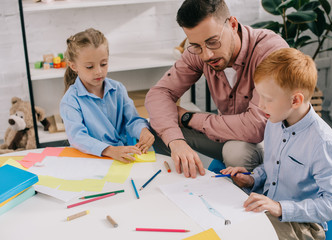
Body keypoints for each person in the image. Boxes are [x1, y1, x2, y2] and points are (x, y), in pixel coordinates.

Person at [145, 0, 288, 178]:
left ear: (233, 25)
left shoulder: (271, 52)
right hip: (227, 132)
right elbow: (158, 94)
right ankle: (180, 192)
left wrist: (188, 117)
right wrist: (176, 142)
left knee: (236, 152)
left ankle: (244, 197)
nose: (207, 55)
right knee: (158, 129)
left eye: (213, 42)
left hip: (268, 143)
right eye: (196, 46)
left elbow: (256, 127)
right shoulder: (199, 51)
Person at [221, 48, 332, 240]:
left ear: (295, 100)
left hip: (302, 224)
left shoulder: (324, 144)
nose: (260, 105)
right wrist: (253, 179)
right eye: (259, 96)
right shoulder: (275, 122)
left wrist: (280, 207)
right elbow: (274, 167)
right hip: (270, 207)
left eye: (268, 99)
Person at [60, 28, 154, 163]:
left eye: (103, 64)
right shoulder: (70, 100)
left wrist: (143, 130)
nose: (99, 71)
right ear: (73, 66)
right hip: (90, 159)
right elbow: (77, 137)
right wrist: (109, 150)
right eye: (89, 67)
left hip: (121, 156)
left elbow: (132, 120)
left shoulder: (118, 89)